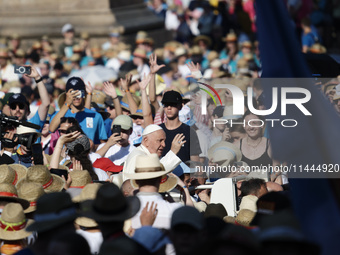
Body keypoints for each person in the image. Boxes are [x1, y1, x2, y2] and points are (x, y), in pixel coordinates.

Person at [126, 154, 192, 230]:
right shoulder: (175, 210)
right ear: (160, 180)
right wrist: (184, 189)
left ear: (136, 181)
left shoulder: (123, 209)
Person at [49, 77, 107, 144]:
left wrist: (93, 147)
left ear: (84, 93)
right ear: (66, 94)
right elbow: (51, 129)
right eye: (72, 93)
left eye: (79, 92)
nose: (76, 96)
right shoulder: (60, 115)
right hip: (65, 153)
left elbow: (103, 142)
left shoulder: (96, 116)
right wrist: (67, 103)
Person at [159, 90, 201, 163]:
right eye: (166, 104)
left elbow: (195, 162)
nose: (169, 108)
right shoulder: (158, 130)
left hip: (184, 174)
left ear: (180, 106)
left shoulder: (189, 132)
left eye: (173, 104)